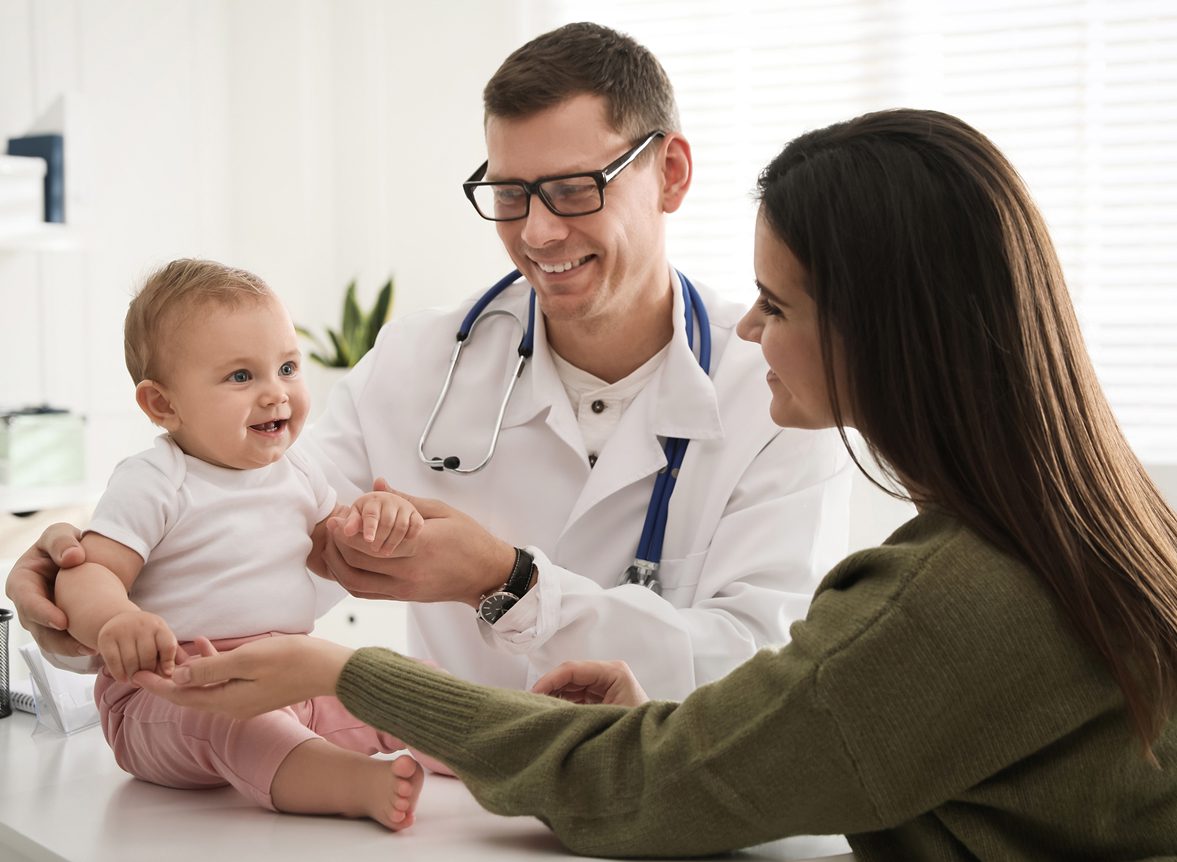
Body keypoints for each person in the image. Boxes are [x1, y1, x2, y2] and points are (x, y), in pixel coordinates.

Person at [138, 109, 1177, 860]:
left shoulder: (952, 595)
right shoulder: (1086, 525)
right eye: (510, 194)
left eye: (778, 304)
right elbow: (254, 508)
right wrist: (102, 565)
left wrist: (359, 667)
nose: (751, 329)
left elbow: (652, 786)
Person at [6, 23, 852, 699]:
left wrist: (506, 580)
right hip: (446, 804)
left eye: (572, 189)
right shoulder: (419, 362)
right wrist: (88, 590)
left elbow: (758, 672)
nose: (537, 232)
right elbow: (255, 544)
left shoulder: (778, 383)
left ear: (670, 173)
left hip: (655, 808)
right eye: (509, 194)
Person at [56, 258, 426, 830]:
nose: (276, 393)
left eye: (287, 367)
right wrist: (116, 621)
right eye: (241, 377)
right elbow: (87, 571)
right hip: (174, 692)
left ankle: (477, 748)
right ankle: (350, 784)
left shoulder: (299, 470)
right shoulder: (156, 481)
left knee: (390, 685)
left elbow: (334, 549)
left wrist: (375, 520)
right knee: (241, 726)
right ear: (163, 405)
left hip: (289, 674)